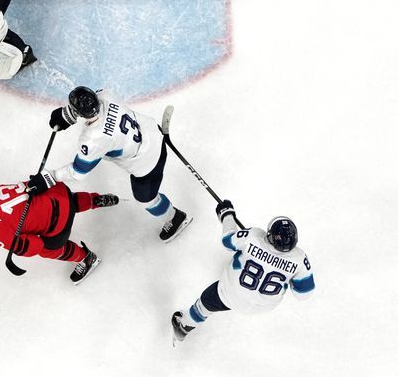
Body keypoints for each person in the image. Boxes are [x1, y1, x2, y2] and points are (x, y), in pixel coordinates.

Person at [48, 86, 191, 243]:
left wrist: (51, 176)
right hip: (151, 131)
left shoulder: (93, 139)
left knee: (145, 198)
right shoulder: (105, 95)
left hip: (147, 163)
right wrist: (67, 114)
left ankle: (175, 218)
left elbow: (77, 172)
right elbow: (92, 102)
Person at [171, 200, 315, 344]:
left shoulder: (254, 236)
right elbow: (303, 294)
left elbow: (227, 241)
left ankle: (184, 325)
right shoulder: (299, 258)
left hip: (230, 295)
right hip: (264, 306)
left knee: (206, 302)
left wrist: (227, 214)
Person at [0, 170, 119, 284]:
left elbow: (34, 246)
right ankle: (94, 200)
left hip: (58, 224)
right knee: (58, 200)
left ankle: (86, 258)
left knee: (46, 248)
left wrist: (18, 247)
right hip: (58, 191)